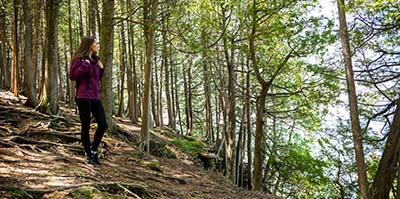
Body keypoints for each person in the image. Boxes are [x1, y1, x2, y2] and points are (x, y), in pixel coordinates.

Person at [69, 36, 107, 166]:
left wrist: (101, 69)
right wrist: (85, 65)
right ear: (90, 45)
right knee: (85, 126)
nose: (97, 45)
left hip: (95, 96)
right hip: (83, 96)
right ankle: (88, 155)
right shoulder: (79, 59)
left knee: (103, 124)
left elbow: (97, 78)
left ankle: (94, 151)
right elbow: (72, 76)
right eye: (96, 43)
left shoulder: (96, 60)